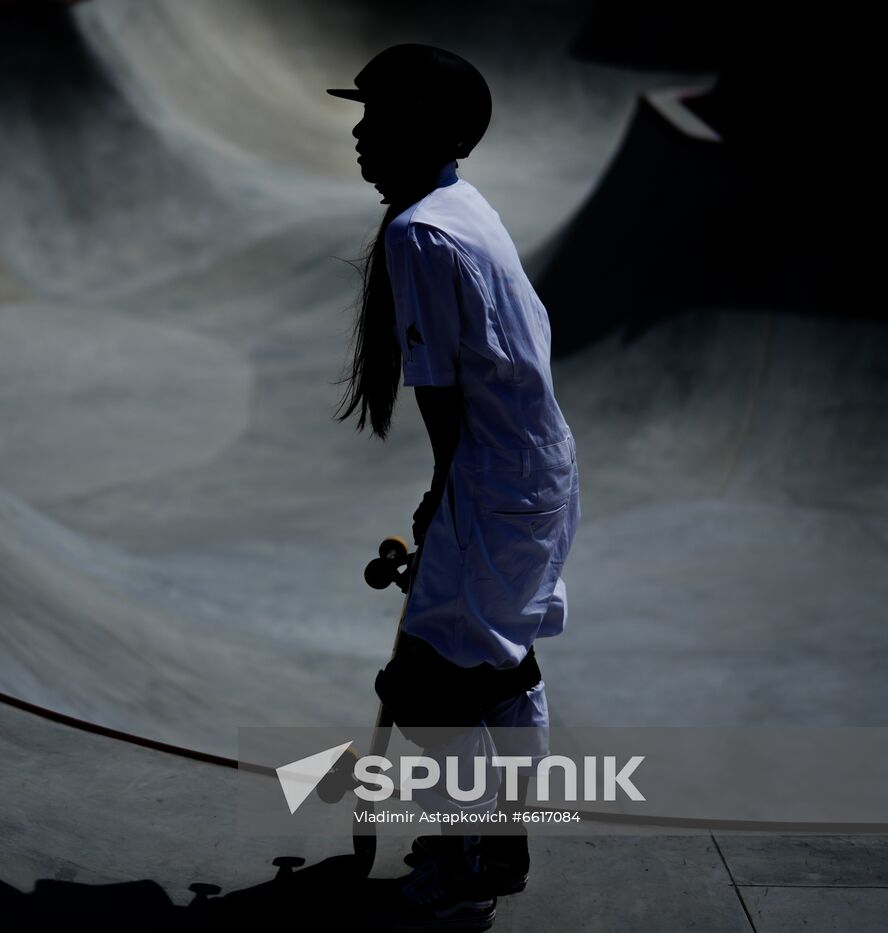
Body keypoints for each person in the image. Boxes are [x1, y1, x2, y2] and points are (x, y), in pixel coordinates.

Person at [329, 44, 580, 931]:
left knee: (435, 684)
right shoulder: (461, 204)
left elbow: (440, 392)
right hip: (537, 470)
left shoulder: (418, 232)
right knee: (500, 662)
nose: (358, 135)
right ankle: (500, 845)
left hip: (490, 476)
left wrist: (442, 497)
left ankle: (466, 860)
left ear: (420, 132)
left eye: (374, 119)